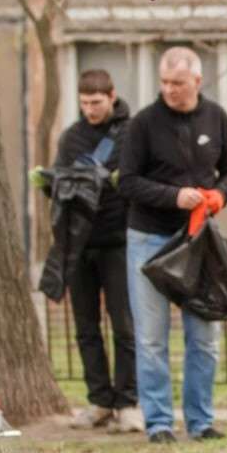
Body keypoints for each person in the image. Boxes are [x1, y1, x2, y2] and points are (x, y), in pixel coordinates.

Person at [118, 47, 227, 443]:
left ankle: (200, 421)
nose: (170, 89)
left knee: (204, 336)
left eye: (178, 83)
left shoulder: (216, 117)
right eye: (165, 82)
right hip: (149, 239)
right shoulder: (143, 123)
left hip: (199, 240)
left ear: (197, 82)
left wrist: (219, 195)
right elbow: (127, 181)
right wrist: (174, 196)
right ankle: (158, 423)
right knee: (151, 338)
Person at [40, 69, 140, 433]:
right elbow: (59, 185)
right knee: (85, 326)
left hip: (119, 241)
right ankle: (99, 400)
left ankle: (128, 402)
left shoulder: (131, 133)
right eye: (84, 103)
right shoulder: (72, 137)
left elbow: (136, 183)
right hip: (79, 243)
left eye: (96, 102)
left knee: (124, 325)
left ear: (111, 96)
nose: (90, 110)